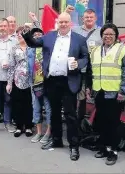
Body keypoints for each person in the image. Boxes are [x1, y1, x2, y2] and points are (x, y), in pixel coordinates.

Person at [22, 12, 89, 161]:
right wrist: (26, 33)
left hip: (69, 81)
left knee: (70, 115)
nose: (63, 24)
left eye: (66, 22)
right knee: (54, 113)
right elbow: (33, 43)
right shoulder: (49, 36)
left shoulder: (79, 39)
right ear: (57, 22)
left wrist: (78, 64)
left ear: (70, 23)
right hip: (52, 80)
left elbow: (85, 58)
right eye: (61, 22)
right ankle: (57, 140)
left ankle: (73, 146)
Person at [86, 23, 125, 165]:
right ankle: (103, 147)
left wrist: (123, 91)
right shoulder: (95, 51)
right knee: (101, 121)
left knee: (113, 123)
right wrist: (89, 87)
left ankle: (113, 151)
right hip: (99, 91)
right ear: (102, 36)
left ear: (116, 36)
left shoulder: (124, 49)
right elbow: (90, 71)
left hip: (115, 93)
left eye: (111, 34)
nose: (107, 37)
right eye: (105, 34)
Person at [66, 7, 102, 127]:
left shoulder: (101, 32)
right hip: (79, 69)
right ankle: (78, 122)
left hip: (94, 70)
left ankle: (94, 123)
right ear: (82, 18)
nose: (89, 19)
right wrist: (66, 13)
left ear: (95, 18)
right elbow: (60, 29)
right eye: (86, 17)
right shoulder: (75, 30)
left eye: (91, 17)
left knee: (94, 96)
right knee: (80, 97)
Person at [28, 13, 51, 144]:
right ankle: (39, 132)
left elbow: (47, 32)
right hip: (34, 83)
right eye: (34, 35)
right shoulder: (30, 49)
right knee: (36, 108)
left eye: (39, 34)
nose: (37, 36)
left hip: (47, 82)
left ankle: (48, 133)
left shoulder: (47, 47)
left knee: (48, 109)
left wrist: (36, 21)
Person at [7, 26, 34, 138]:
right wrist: (9, 83)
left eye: (21, 33)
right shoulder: (14, 48)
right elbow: (11, 66)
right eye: (17, 34)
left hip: (31, 80)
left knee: (29, 103)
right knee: (17, 103)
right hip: (17, 80)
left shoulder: (33, 47)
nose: (19, 35)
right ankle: (19, 127)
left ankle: (28, 126)